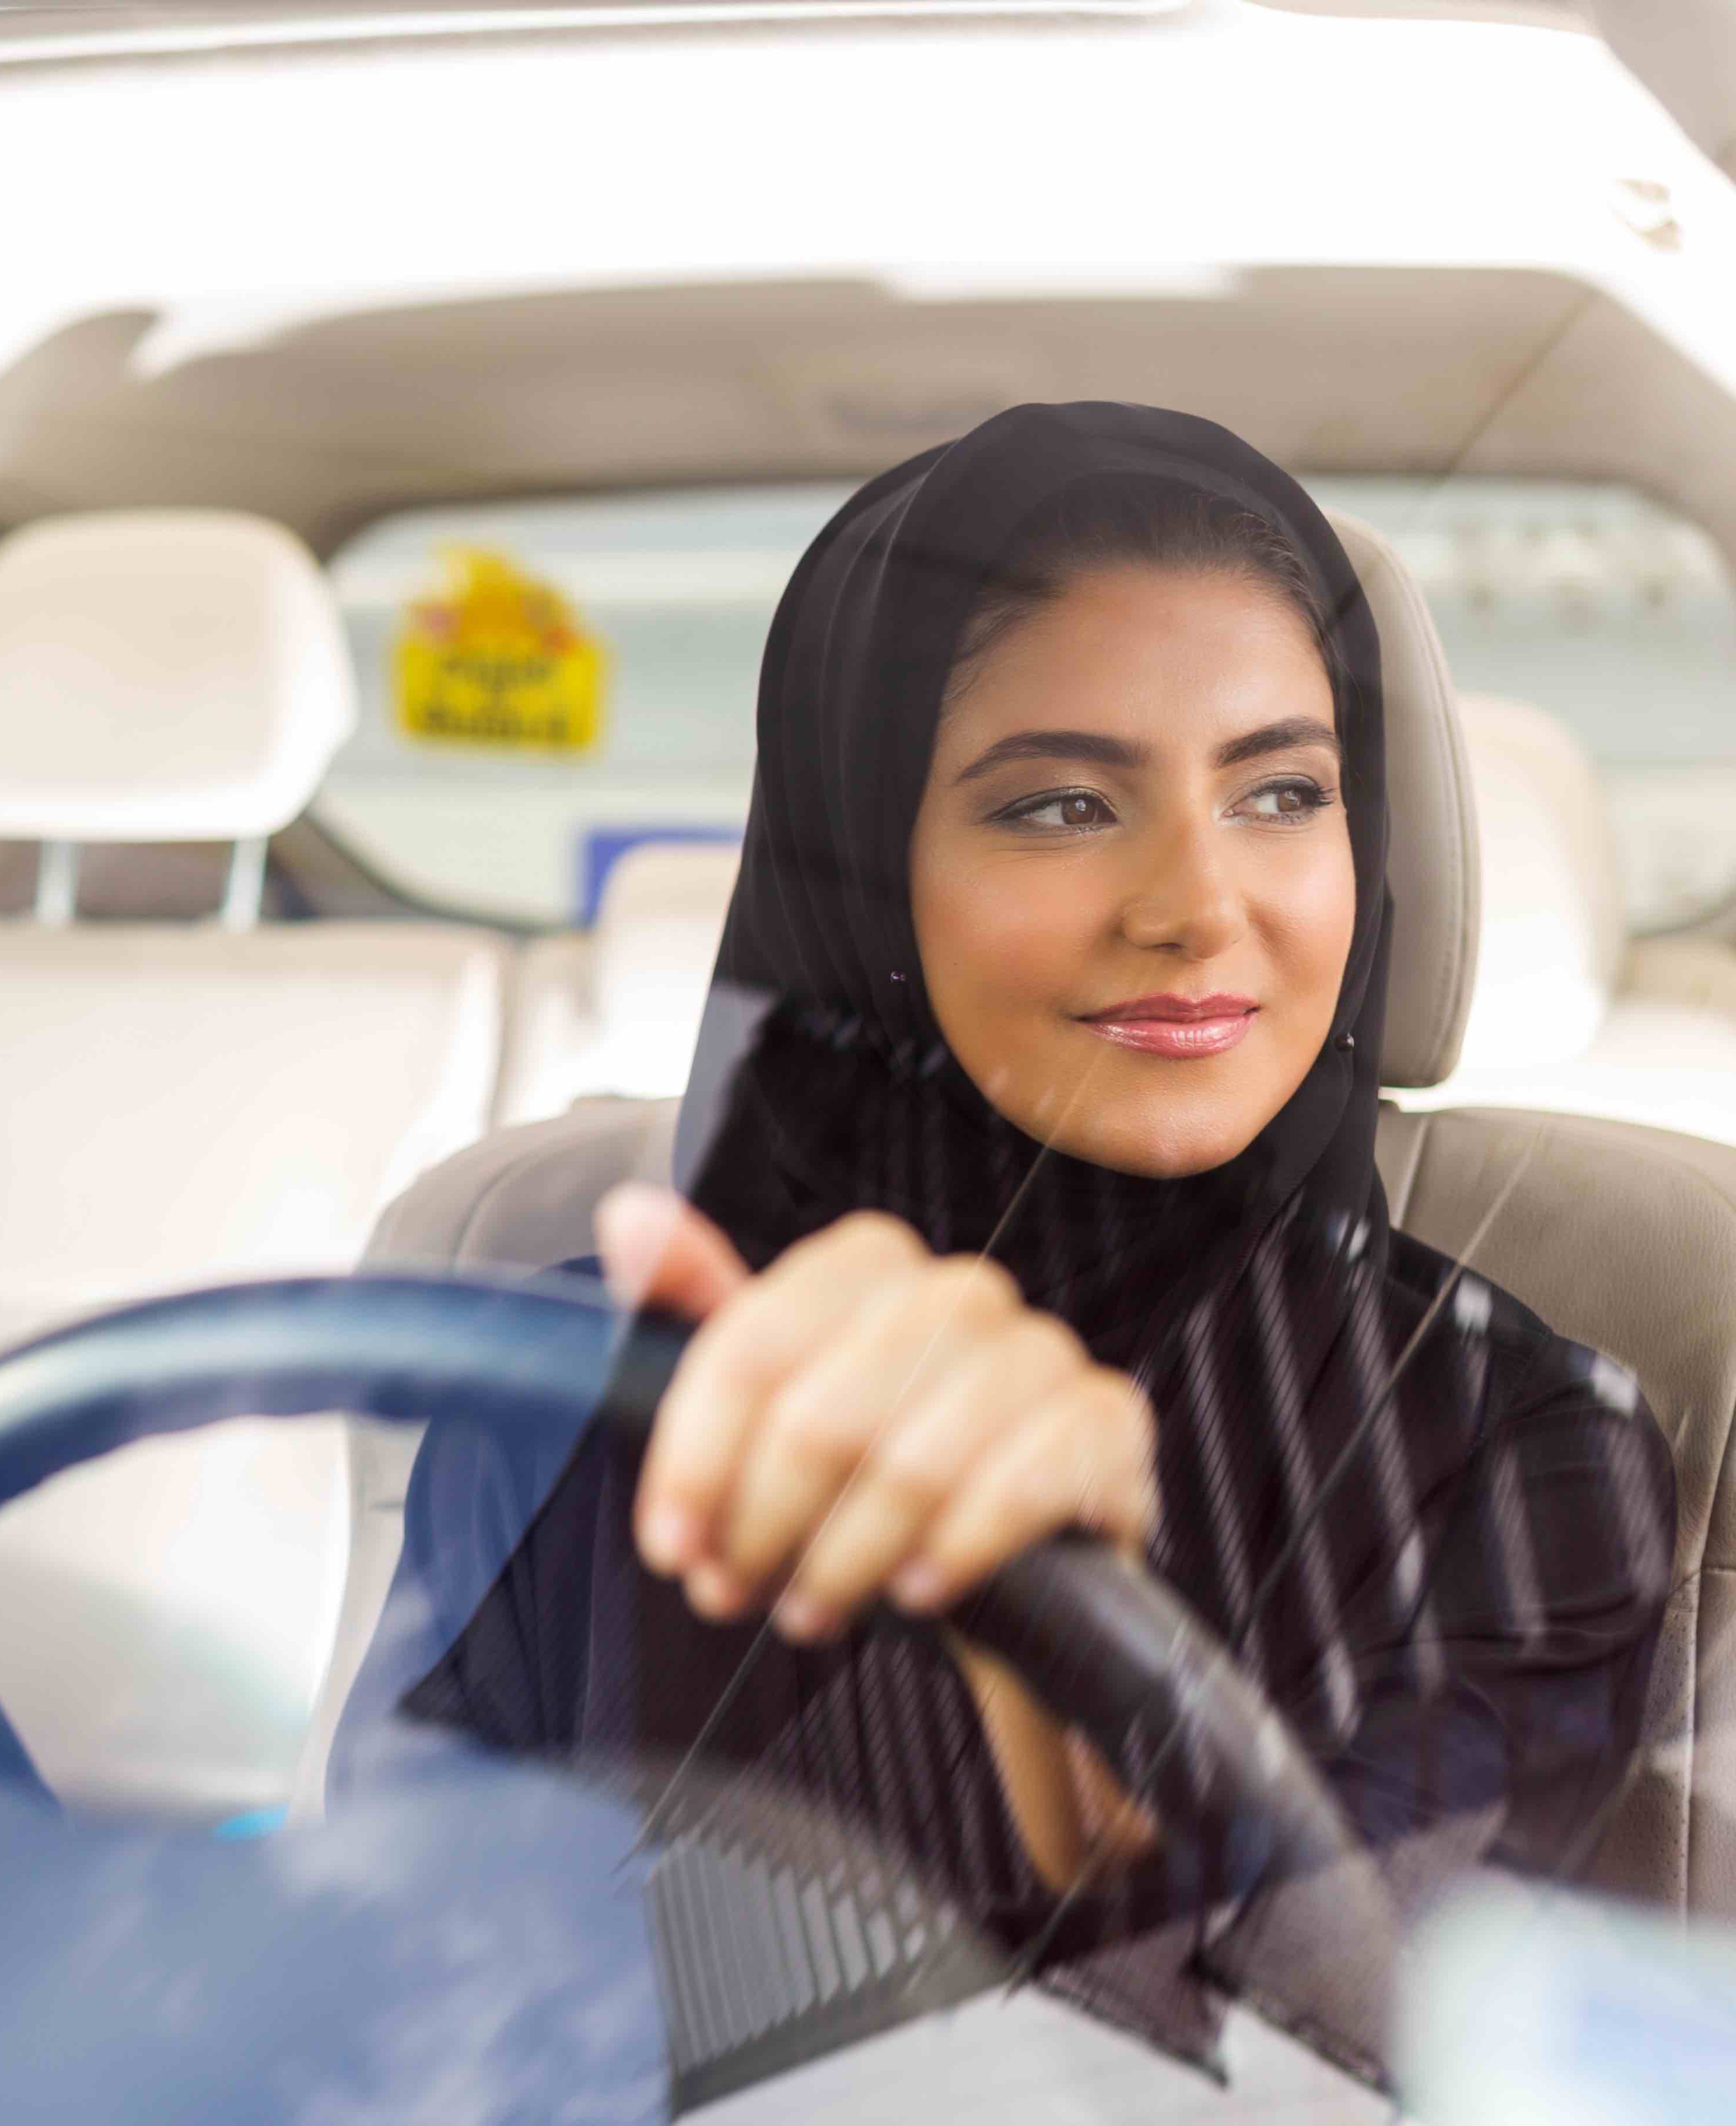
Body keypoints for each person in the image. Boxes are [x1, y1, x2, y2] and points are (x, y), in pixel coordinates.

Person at [381, 403, 1675, 2076]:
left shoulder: (1523, 1449)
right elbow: (384, 2005)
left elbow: (1320, 2063)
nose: (1198, 906)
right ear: (865, 874)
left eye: (1283, 793)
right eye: (1063, 807)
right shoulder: (551, 1375)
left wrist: (1052, 1665)